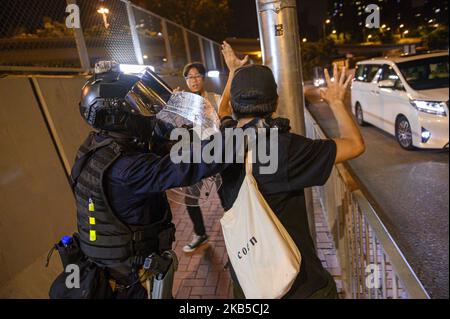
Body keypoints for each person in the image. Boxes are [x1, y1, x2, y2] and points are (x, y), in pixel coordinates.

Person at [71, 61, 235, 298]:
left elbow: (153, 137)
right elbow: (196, 164)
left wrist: (180, 131)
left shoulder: (97, 145)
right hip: (130, 282)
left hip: (112, 267)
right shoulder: (128, 169)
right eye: (136, 104)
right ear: (118, 116)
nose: (145, 109)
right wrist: (231, 130)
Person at [217, 42, 365, 299]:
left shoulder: (225, 140)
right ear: (275, 103)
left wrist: (233, 73)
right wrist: (336, 102)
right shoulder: (288, 149)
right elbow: (354, 145)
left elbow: (222, 110)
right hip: (299, 285)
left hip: (250, 279)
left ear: (236, 106)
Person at [178, 61, 243, 253]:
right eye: (189, 77)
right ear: (186, 81)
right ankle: (200, 234)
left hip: (217, 155)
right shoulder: (183, 103)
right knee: (190, 198)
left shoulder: (215, 99)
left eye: (197, 76)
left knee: (225, 196)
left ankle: (238, 233)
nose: (194, 80)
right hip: (196, 157)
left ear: (203, 78)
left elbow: (227, 113)